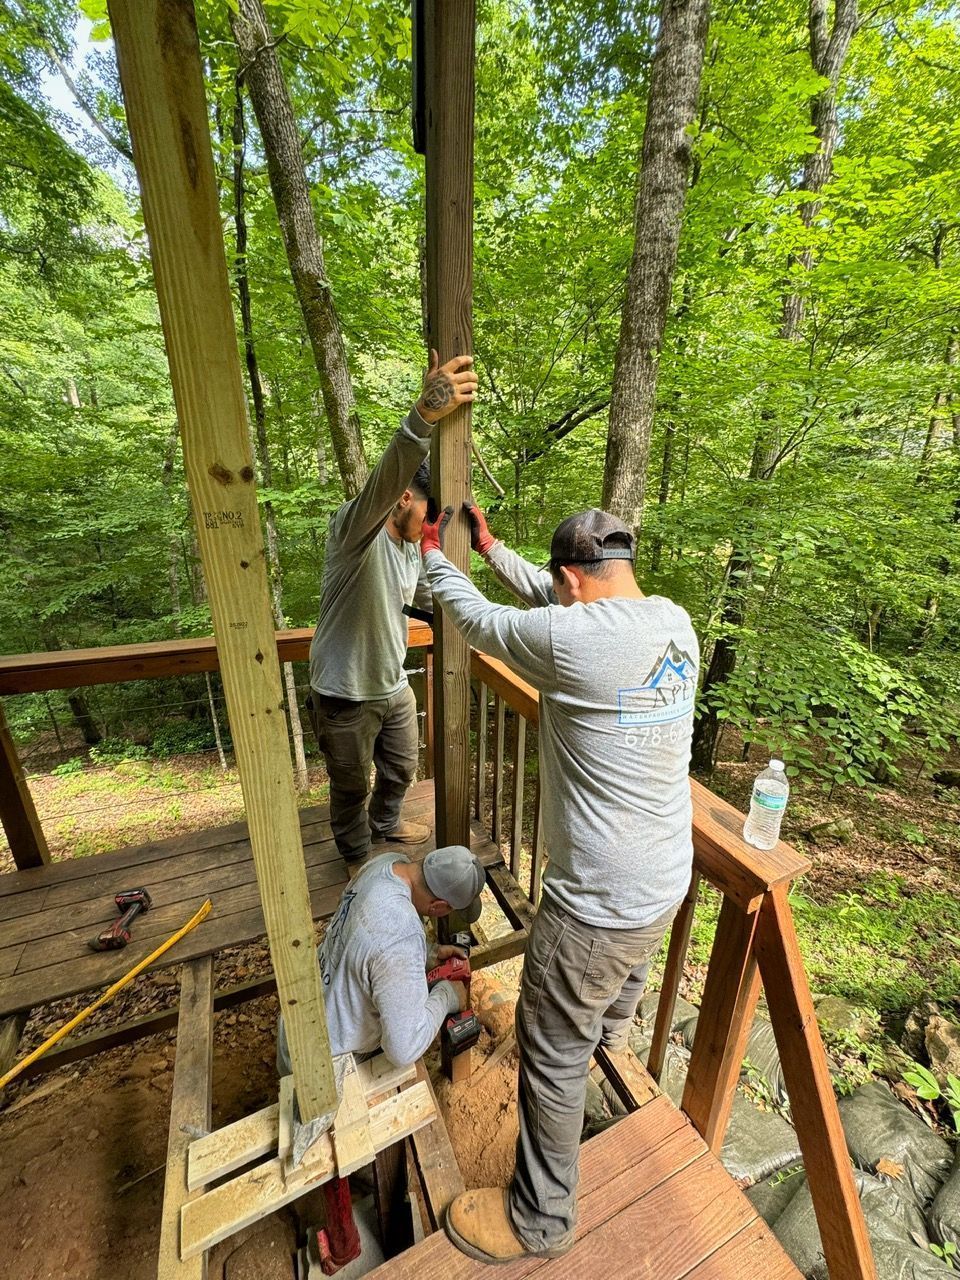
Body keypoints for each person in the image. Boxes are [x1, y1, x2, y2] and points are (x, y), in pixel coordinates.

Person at [418, 502, 700, 1265]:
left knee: (551, 1049)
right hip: (665, 879)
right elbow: (559, 606)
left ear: (572, 578)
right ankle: (608, 1066)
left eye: (558, 583)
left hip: (596, 907)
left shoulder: (570, 638)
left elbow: (476, 619)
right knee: (608, 1010)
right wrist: (494, 546)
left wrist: (436, 554)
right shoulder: (672, 621)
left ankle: (539, 1219)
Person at [307, 353, 478, 865]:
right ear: (404, 498)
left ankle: (386, 825)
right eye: (428, 512)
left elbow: (432, 600)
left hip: (389, 682)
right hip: (343, 690)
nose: (432, 526)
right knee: (349, 784)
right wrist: (425, 415)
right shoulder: (354, 531)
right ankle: (357, 857)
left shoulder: (410, 549)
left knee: (402, 767)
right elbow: (383, 479)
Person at [277, 845, 485, 1074]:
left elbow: (367, 937)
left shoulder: (386, 863)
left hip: (295, 1020)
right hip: (318, 1068)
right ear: (437, 907)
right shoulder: (401, 935)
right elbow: (404, 1050)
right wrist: (446, 996)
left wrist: (429, 952)